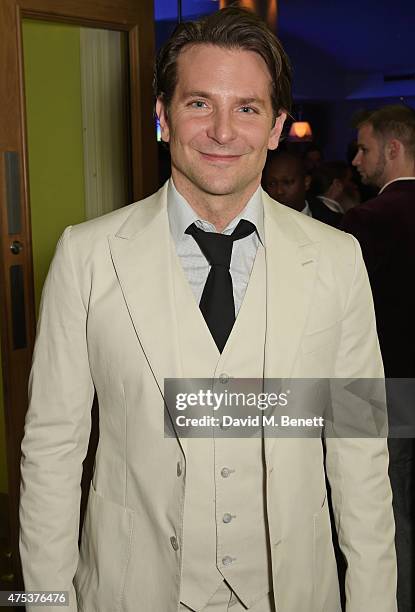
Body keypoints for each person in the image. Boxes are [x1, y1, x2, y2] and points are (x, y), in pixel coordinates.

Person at [19, 8, 397, 612]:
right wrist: (44, 602)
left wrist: (373, 601)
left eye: (247, 108)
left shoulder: (338, 258)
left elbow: (360, 441)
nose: (222, 131)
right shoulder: (86, 255)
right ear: (163, 117)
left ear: (276, 128)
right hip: (130, 590)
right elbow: (53, 449)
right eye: (199, 104)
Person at [342, 104, 415, 612]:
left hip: (375, 389)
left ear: (393, 149)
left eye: (364, 148)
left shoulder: (364, 223)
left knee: (381, 516)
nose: (355, 160)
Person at [263, 150, 343, 227]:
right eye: (272, 184)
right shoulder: (259, 224)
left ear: (306, 182)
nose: (279, 191)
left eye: (287, 182)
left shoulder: (333, 224)